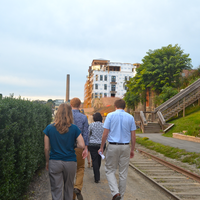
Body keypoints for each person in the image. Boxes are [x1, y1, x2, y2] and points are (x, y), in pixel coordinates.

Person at [44, 103, 85, 200]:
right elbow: (82, 145)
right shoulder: (74, 128)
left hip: (55, 161)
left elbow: (46, 148)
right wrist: (74, 144)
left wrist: (47, 161)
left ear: (57, 113)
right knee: (69, 188)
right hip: (70, 162)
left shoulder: (49, 128)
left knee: (56, 189)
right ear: (70, 114)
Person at [98, 99, 136, 200]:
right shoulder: (130, 117)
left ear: (115, 106)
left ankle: (115, 193)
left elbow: (105, 134)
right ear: (124, 107)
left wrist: (101, 147)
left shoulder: (110, 116)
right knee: (123, 173)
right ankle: (121, 197)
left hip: (113, 146)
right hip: (125, 146)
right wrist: (132, 149)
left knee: (110, 170)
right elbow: (133, 136)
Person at [70, 98, 89, 200]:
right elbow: (85, 133)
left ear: (70, 104)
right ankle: (77, 187)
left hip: (67, 148)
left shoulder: (66, 116)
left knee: (69, 172)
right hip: (79, 147)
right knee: (80, 168)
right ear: (80, 105)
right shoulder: (84, 117)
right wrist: (85, 148)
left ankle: (71, 197)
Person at [88, 112, 104, 183]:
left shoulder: (91, 125)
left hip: (93, 144)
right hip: (101, 145)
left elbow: (88, 134)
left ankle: (96, 177)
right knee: (99, 159)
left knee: (94, 160)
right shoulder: (104, 125)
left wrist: (87, 143)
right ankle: (97, 172)